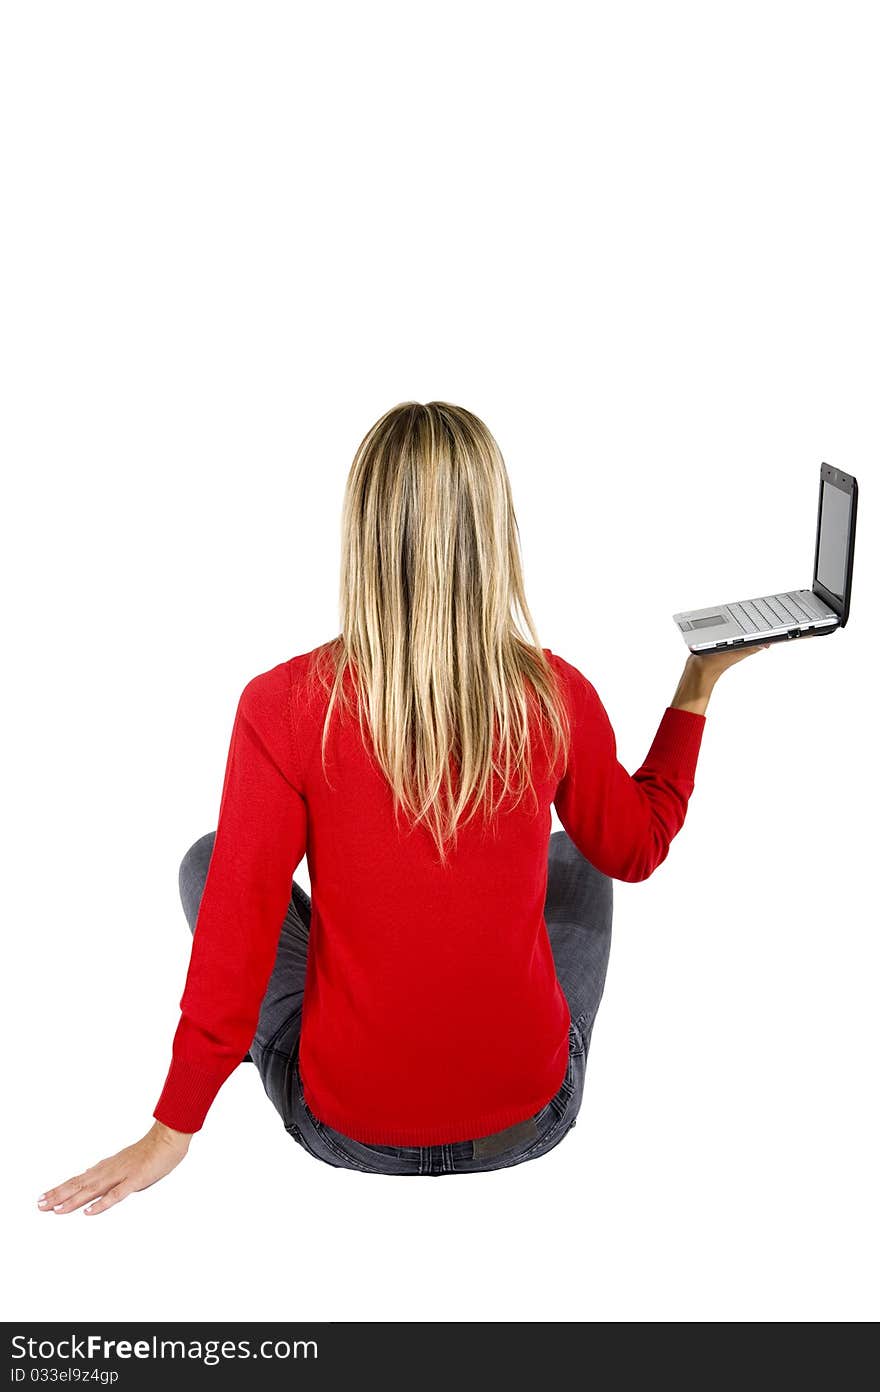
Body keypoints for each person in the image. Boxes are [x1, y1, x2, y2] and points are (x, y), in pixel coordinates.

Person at [38, 401, 771, 1215]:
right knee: (583, 858)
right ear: (493, 532)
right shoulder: (555, 695)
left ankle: (366, 1005)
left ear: (363, 533)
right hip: (528, 1121)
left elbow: (235, 935)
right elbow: (638, 848)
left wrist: (170, 1130)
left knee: (215, 867)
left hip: (344, 1128)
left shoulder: (282, 706)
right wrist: (699, 682)